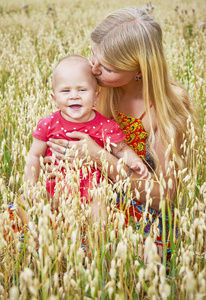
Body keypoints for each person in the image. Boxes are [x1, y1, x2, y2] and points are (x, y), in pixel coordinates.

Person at [44, 7, 196, 255]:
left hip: (138, 209)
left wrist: (98, 157)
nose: (93, 69)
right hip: (86, 192)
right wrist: (60, 159)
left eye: (107, 68)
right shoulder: (97, 87)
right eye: (94, 55)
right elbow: (65, 131)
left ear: (139, 70)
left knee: (91, 250)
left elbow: (164, 197)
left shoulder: (168, 105)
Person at [17, 54, 150, 228]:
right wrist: (31, 185)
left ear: (96, 96)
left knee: (100, 208)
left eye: (82, 90)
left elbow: (121, 148)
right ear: (54, 98)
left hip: (91, 190)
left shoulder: (104, 125)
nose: (74, 96)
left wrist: (134, 160)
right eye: (66, 91)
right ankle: (36, 236)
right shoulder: (48, 124)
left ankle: (96, 241)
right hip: (53, 186)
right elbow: (34, 155)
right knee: (23, 201)